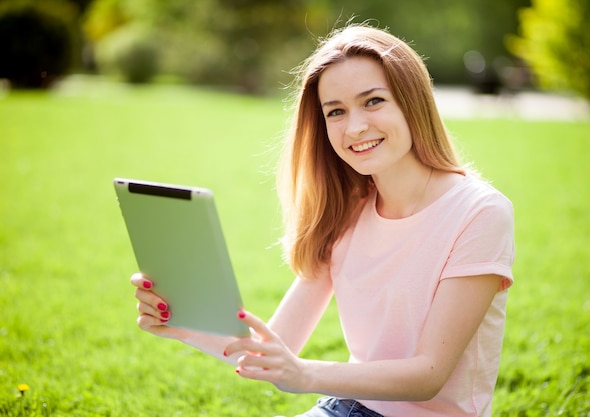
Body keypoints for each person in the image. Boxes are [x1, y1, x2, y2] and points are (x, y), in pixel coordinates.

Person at [131, 23, 515, 417]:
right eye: (336, 111)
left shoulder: (480, 213)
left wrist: (305, 375)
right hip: (346, 409)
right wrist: (178, 322)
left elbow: (428, 374)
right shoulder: (347, 209)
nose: (355, 127)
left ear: (412, 100)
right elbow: (276, 344)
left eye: (373, 101)